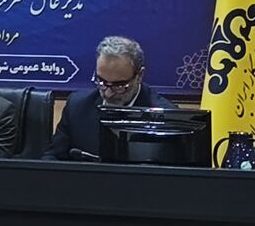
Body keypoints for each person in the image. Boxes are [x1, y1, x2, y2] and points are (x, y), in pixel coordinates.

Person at [43, 36, 177, 161]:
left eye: (119, 86)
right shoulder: (77, 107)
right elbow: (52, 159)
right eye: (101, 82)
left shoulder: (165, 117)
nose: (108, 94)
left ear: (139, 76)